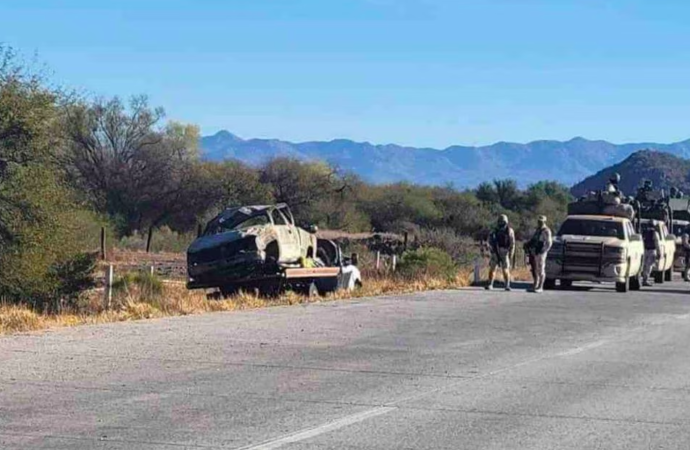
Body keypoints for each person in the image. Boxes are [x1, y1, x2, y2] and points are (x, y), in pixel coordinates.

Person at [486, 214, 515, 291]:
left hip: (503, 252)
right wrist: (492, 250)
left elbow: (512, 243)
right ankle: (495, 284)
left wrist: (511, 252)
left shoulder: (507, 231)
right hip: (498, 251)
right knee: (494, 269)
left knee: (503, 269)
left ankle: (504, 285)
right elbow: (489, 241)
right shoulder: (497, 231)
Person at [526, 215, 553, 293]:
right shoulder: (538, 230)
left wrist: (543, 251)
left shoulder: (546, 231)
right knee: (535, 269)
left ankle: (540, 286)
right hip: (535, 251)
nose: (539, 223)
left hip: (541, 252)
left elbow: (549, 243)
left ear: (544, 222)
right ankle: (535, 285)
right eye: (539, 221)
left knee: (541, 269)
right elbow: (534, 239)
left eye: (541, 221)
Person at [642, 220, 661, 287]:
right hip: (652, 250)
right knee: (649, 266)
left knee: (644, 265)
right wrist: (659, 252)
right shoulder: (655, 233)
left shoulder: (644, 232)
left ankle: (643, 278)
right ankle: (645, 279)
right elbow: (657, 243)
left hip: (644, 250)